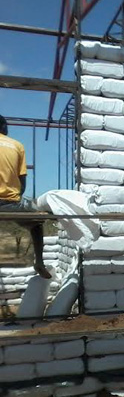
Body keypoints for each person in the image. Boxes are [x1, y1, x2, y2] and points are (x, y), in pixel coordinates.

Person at [0, 115, 51, 279]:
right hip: (11, 202)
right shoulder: (17, 146)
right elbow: (22, 182)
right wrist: (14, 198)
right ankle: (39, 262)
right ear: (4, 127)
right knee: (37, 222)